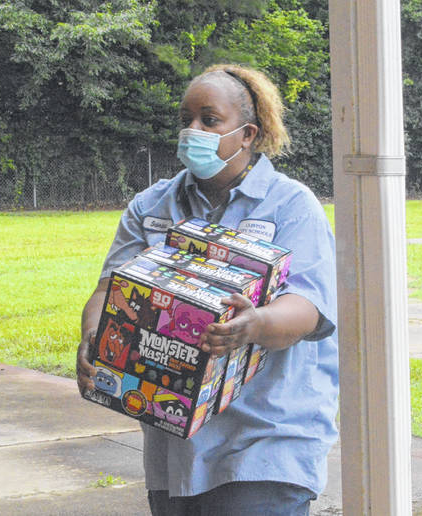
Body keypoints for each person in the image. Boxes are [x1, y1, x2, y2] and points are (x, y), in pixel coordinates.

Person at [76, 64, 338, 516]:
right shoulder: (151, 205)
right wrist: (95, 339)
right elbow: (109, 290)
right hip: (174, 442)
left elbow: (309, 310)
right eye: (186, 119)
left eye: (209, 120)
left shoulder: (290, 205)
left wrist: (254, 323)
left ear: (247, 134)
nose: (191, 130)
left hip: (266, 440)